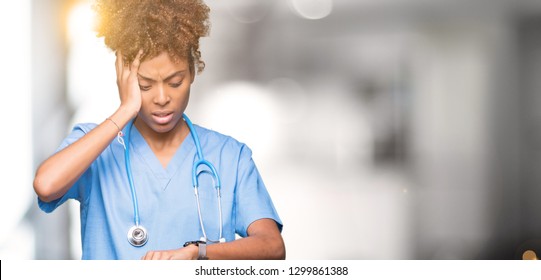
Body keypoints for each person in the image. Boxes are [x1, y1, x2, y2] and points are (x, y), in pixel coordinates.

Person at [33, 0, 285, 260]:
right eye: (145, 85)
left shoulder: (229, 156)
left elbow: (273, 247)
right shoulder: (95, 146)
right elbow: (46, 185)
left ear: (192, 73)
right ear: (124, 79)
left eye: (175, 82)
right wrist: (124, 110)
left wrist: (198, 253)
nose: (162, 97)